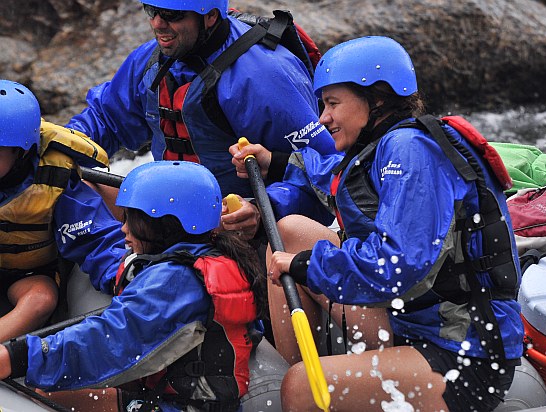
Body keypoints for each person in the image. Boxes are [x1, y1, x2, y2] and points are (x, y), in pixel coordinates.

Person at [233, 36, 524, 411]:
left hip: (463, 351)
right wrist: (273, 162)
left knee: (301, 386)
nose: (323, 118)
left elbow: (397, 265)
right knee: (290, 233)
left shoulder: (411, 150)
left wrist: (307, 266)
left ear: (378, 99)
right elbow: (335, 178)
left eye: (333, 103)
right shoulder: (386, 145)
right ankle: (325, 385)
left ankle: (310, 391)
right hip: (411, 321)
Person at [0, 160, 267, 412]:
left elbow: (108, 340)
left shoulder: (177, 281)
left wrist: (17, 357)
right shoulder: (211, 257)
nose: (124, 229)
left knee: (42, 394)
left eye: (131, 219)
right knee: (50, 390)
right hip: (179, 394)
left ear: (164, 224)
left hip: (182, 406)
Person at [65, 0, 338, 236]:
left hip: (238, 226)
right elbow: (105, 119)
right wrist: (61, 144)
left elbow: (328, 173)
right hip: (168, 208)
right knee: (71, 181)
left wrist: (263, 208)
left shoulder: (262, 77)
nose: (157, 23)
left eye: (172, 15)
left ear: (210, 16)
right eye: (151, 10)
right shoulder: (152, 60)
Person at [0, 80, 125, 343]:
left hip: (27, 275)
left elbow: (96, 240)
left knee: (41, 298)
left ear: (21, 152)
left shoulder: (56, 181)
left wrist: (124, 275)